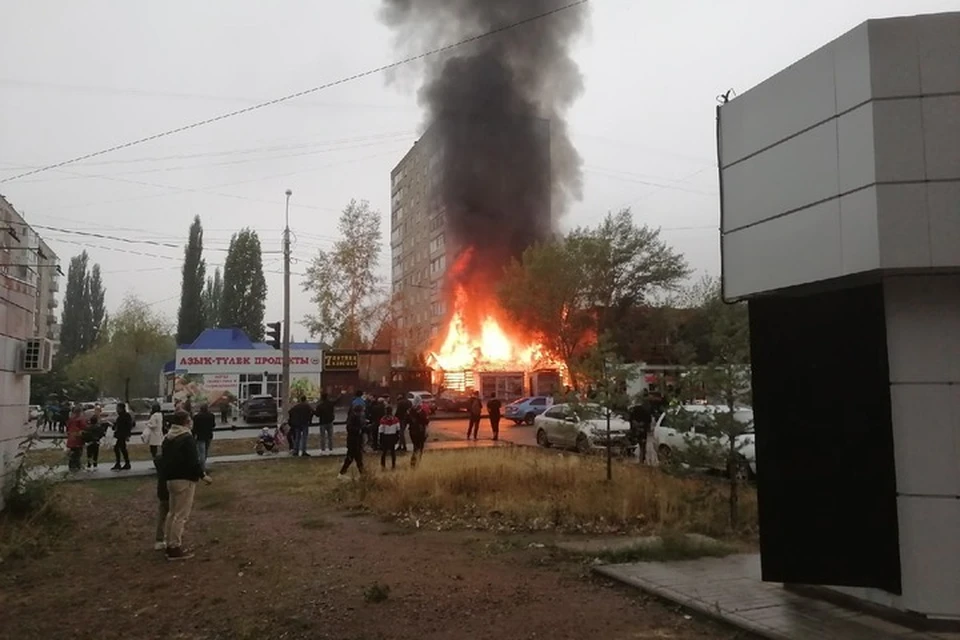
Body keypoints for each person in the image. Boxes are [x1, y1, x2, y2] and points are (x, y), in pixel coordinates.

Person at [161, 410, 212, 561]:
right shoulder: (187, 438)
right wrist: (203, 476)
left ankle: (167, 542)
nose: (191, 421)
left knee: (172, 513)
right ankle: (174, 547)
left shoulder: (168, 437)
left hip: (170, 479)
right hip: (185, 480)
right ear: (185, 421)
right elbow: (193, 461)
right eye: (189, 419)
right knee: (181, 515)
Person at [338, 404, 365, 479]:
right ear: (359, 411)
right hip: (353, 442)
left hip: (356, 442)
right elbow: (349, 428)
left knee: (355, 459)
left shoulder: (356, 417)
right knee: (353, 459)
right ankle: (342, 473)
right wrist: (358, 430)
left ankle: (362, 474)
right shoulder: (353, 418)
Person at [192, 404, 216, 472]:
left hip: (200, 436)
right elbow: (213, 425)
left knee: (201, 452)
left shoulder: (196, 417)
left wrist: (193, 436)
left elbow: (194, 428)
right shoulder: (211, 416)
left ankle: (202, 468)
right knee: (206, 451)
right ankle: (203, 465)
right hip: (209, 435)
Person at [152, 452, 169, 551]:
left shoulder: (159, 460)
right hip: (170, 490)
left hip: (161, 490)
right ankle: (171, 538)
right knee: (174, 515)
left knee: (162, 515)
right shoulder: (173, 460)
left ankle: (159, 539)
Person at [111, 402, 134, 471]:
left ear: (121, 408)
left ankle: (122, 463)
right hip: (119, 435)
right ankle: (125, 463)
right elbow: (117, 425)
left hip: (122, 435)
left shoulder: (126, 416)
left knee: (118, 448)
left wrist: (127, 435)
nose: (116, 409)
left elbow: (129, 426)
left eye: (117, 408)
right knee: (121, 449)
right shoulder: (120, 416)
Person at [408, 396, 429, 468]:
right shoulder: (422, 411)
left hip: (412, 432)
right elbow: (426, 422)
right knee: (420, 448)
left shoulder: (410, 411)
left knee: (415, 447)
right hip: (420, 432)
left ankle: (413, 463)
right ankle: (417, 463)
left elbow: (407, 420)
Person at [66, 406, 86, 472]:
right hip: (78, 439)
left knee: (72, 453)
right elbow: (84, 428)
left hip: (71, 438)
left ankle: (71, 466)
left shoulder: (71, 419)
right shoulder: (81, 419)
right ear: (80, 412)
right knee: (78, 453)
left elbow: (68, 428)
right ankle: (77, 466)